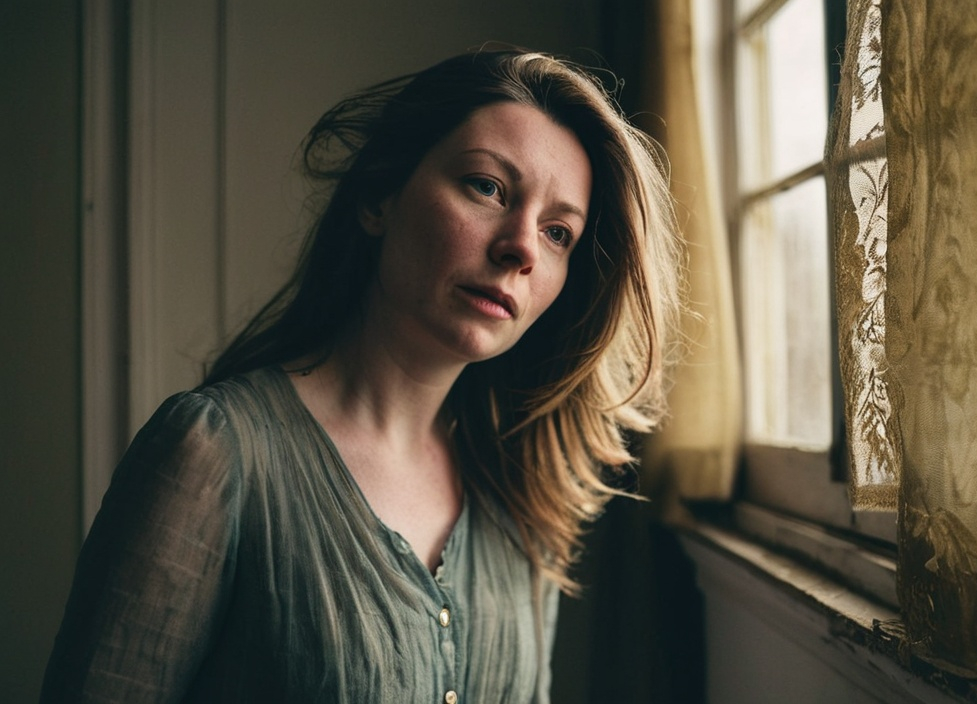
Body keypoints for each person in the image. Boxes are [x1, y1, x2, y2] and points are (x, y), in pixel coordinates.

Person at [39, 48, 684, 703]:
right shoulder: (212, 452)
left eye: (557, 233)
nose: (521, 246)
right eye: (487, 187)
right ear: (381, 197)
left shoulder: (523, 492)